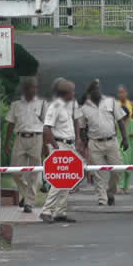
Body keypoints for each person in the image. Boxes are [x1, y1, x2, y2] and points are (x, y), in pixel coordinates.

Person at [79, 80, 128, 206]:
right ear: (89, 93)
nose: (97, 92)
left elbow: (120, 121)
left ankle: (110, 192)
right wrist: (85, 142)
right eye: (94, 90)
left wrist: (125, 138)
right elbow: (82, 128)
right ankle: (102, 198)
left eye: (98, 89)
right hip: (95, 143)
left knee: (117, 169)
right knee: (97, 173)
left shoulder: (110, 102)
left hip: (111, 141)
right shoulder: (84, 108)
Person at [41, 78, 83, 223]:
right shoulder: (55, 106)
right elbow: (46, 128)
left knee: (67, 179)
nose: (74, 94)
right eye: (72, 92)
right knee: (59, 179)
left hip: (68, 145)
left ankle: (60, 211)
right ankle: (46, 210)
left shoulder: (68, 106)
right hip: (60, 145)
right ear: (65, 93)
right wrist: (55, 146)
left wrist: (76, 140)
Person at [4, 78, 47, 213]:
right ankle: (27, 193)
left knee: (35, 171)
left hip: (36, 138)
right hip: (20, 139)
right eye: (31, 88)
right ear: (25, 90)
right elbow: (10, 124)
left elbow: (46, 125)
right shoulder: (16, 105)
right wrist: (7, 143)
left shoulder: (42, 103)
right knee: (15, 171)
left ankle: (29, 202)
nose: (34, 90)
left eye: (35, 88)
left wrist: (45, 145)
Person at [115, 85, 133, 194]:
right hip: (119, 140)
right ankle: (120, 185)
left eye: (122, 92)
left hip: (130, 141)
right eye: (119, 92)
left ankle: (127, 186)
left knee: (129, 165)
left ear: (126, 93)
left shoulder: (132, 104)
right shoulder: (115, 105)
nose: (121, 94)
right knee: (120, 164)